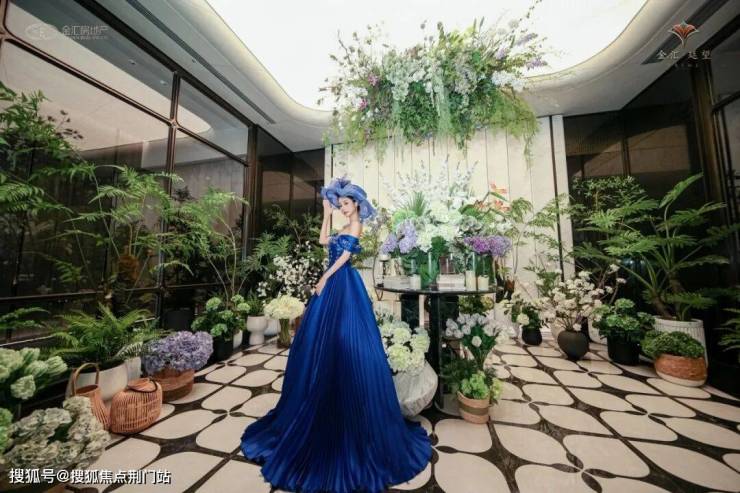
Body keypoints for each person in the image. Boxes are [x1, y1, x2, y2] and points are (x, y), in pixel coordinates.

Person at [240, 177, 432, 493]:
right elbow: (322, 241)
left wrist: (323, 279)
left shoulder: (356, 226)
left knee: (348, 342)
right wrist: (326, 214)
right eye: (340, 204)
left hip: (342, 285)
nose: (342, 208)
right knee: (316, 343)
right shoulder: (341, 224)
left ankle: (352, 408)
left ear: (356, 204)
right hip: (331, 286)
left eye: (345, 204)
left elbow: (342, 259)